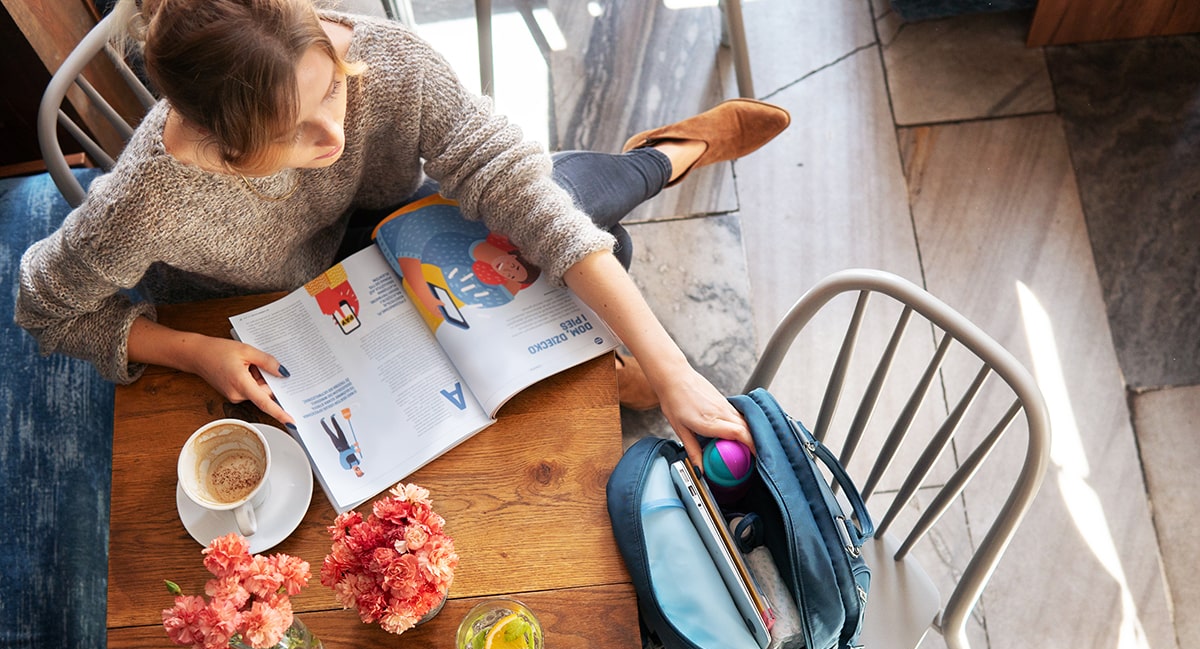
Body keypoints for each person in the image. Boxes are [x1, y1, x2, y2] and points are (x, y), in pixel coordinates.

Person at [15, 0, 790, 466]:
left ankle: (667, 156)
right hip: (279, 314)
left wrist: (675, 371)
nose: (333, 136)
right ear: (211, 146)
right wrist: (194, 351)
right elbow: (42, 309)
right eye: (293, 132)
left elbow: (509, 182)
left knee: (554, 206)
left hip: (384, 230)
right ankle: (662, 160)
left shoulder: (387, 61)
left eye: (332, 88)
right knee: (582, 244)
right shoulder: (146, 200)